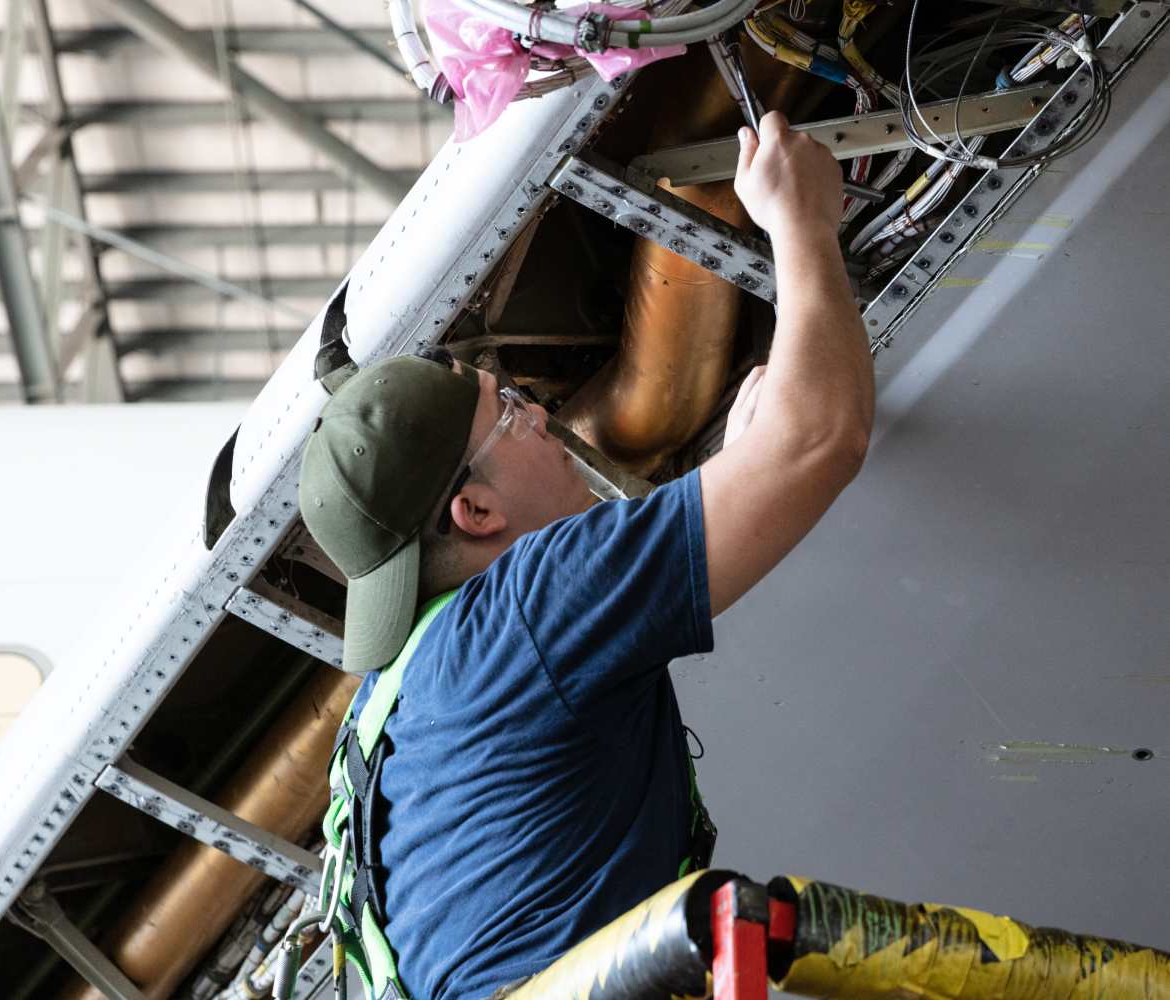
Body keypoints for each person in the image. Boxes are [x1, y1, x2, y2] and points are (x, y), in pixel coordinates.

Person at [299, 109, 874, 1000]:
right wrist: (802, 224)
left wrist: (739, 467)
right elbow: (821, 438)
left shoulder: (397, 705)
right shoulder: (529, 609)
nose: (549, 422)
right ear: (476, 509)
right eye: (517, 411)